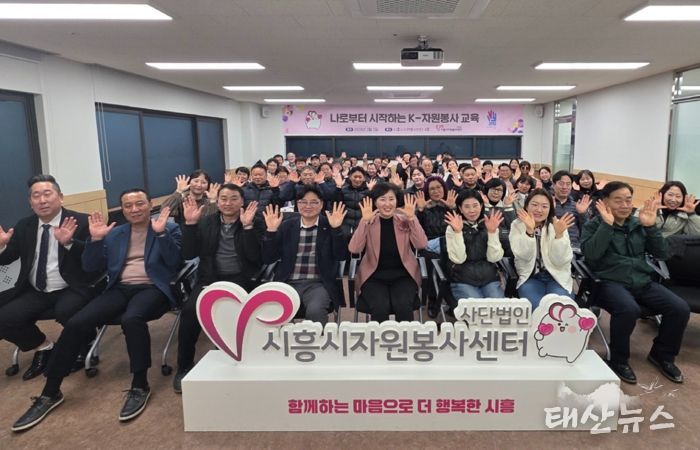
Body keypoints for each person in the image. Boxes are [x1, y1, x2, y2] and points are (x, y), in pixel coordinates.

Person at [13, 189, 182, 431]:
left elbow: (175, 263)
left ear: (149, 205)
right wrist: (95, 240)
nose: (134, 209)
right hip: (119, 288)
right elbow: (91, 266)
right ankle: (50, 392)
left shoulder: (168, 228)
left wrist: (162, 234)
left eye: (139, 204)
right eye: (128, 205)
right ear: (122, 209)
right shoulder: (116, 233)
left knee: (132, 319)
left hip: (153, 288)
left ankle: (139, 385)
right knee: (76, 322)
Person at [581, 182, 690, 385]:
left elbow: (662, 253)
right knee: (628, 309)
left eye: (628, 200)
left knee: (680, 308)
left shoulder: (638, 224)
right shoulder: (593, 225)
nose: (624, 205)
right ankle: (618, 359)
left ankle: (662, 355)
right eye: (618, 200)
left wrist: (650, 227)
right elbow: (591, 255)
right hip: (609, 282)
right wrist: (607, 225)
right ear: (605, 202)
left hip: (642, 281)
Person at [0, 175, 97, 381]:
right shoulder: (24, 225)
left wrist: (69, 243)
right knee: (5, 318)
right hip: (36, 290)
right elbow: (8, 258)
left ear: (60, 197)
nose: (42, 200)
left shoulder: (81, 221)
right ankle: (43, 346)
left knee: (67, 311)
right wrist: (2, 247)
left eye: (47, 194)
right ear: (30, 202)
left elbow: (95, 260)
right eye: (36, 196)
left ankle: (85, 344)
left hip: (72, 286)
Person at [173, 185, 263, 393]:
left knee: (233, 314)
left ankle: (231, 362)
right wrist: (190, 224)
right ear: (217, 201)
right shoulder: (206, 222)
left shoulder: (254, 221)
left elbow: (255, 257)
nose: (228, 203)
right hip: (210, 279)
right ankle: (184, 366)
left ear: (242, 201)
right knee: (190, 312)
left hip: (241, 280)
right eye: (223, 198)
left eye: (233, 198)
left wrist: (247, 227)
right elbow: (188, 253)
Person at [261, 185, 348, 325]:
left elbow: (341, 256)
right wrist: (271, 232)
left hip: (318, 284)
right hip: (287, 283)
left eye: (314, 202)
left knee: (315, 311)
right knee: (277, 311)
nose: (308, 206)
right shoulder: (286, 226)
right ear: (297, 204)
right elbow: (269, 257)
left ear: (321, 205)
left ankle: (318, 339)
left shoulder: (330, 224)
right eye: (303, 202)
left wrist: (336, 230)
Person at [348, 183, 427, 322]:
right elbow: (354, 249)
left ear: (397, 201)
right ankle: (378, 337)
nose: (387, 204)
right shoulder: (369, 222)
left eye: (391, 199)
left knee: (403, 306)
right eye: (382, 199)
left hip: (404, 275)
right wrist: (364, 221)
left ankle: (404, 336)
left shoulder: (404, 220)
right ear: (375, 202)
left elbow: (421, 244)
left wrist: (412, 218)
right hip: (373, 276)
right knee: (380, 307)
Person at [509, 189, 575, 309]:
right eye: (534, 205)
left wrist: (559, 236)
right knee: (537, 310)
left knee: (560, 310)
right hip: (530, 278)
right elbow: (523, 256)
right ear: (526, 206)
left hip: (557, 277)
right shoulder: (517, 225)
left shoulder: (558, 225)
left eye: (544, 206)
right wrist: (529, 231)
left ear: (550, 209)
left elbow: (561, 261)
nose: (539, 210)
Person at [444, 190, 505, 301]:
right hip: (463, 279)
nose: (472, 210)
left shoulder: (489, 223)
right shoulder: (452, 227)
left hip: (489, 278)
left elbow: (494, 258)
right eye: (466, 207)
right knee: (477, 306)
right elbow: (458, 259)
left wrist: (492, 232)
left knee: (497, 306)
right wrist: (458, 232)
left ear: (481, 206)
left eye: (475, 205)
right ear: (460, 209)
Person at [551, 170, 591, 251]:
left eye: (568, 184)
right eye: (561, 183)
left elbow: (586, 229)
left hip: (573, 247)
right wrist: (550, 211)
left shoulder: (577, 206)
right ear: (554, 185)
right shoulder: (547, 204)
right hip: (552, 245)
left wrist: (583, 214)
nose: (564, 187)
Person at [482, 178, 517, 256]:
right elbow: (483, 225)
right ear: (487, 190)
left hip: (505, 246)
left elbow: (513, 226)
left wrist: (508, 206)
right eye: (493, 189)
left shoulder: (507, 205)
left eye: (500, 190)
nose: (496, 192)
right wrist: (486, 206)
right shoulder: (480, 205)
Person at [337, 167, 371, 238]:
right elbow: (336, 204)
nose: (357, 179)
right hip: (346, 223)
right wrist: (338, 188)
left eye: (360, 177)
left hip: (362, 222)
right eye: (355, 177)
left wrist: (371, 191)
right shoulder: (343, 190)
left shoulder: (368, 191)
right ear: (350, 177)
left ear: (364, 178)